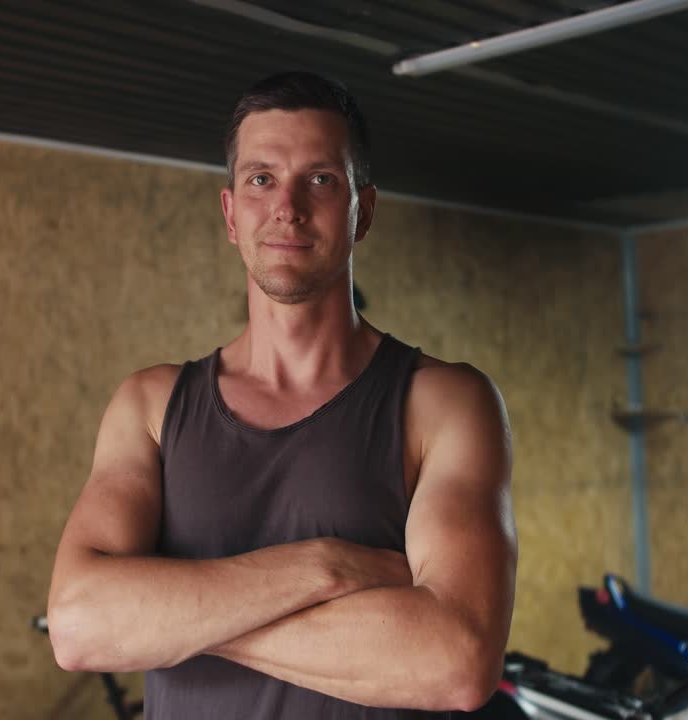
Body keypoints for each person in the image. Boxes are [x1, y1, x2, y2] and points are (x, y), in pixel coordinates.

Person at [47, 71, 516, 718]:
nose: (287, 206)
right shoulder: (150, 406)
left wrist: (173, 622)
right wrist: (329, 567)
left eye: (320, 179)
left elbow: (455, 662)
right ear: (231, 214)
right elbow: (77, 626)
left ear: (364, 212)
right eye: (261, 179)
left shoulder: (443, 403)